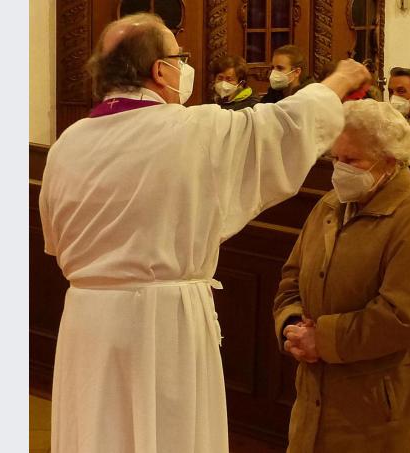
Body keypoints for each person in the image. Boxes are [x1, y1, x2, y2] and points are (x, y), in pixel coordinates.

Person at [39, 12, 371, 453]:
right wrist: (342, 78)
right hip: (163, 323)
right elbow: (289, 124)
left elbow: (55, 241)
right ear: (160, 69)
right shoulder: (193, 130)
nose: (185, 67)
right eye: (180, 57)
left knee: (97, 431)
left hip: (88, 320)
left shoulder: (68, 143)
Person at [273, 100, 410, 453]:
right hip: (318, 394)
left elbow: (402, 316)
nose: (339, 171)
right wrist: (291, 326)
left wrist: (323, 339)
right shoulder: (329, 206)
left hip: (383, 405)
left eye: (352, 161)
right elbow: (292, 277)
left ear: (390, 162)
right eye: (335, 159)